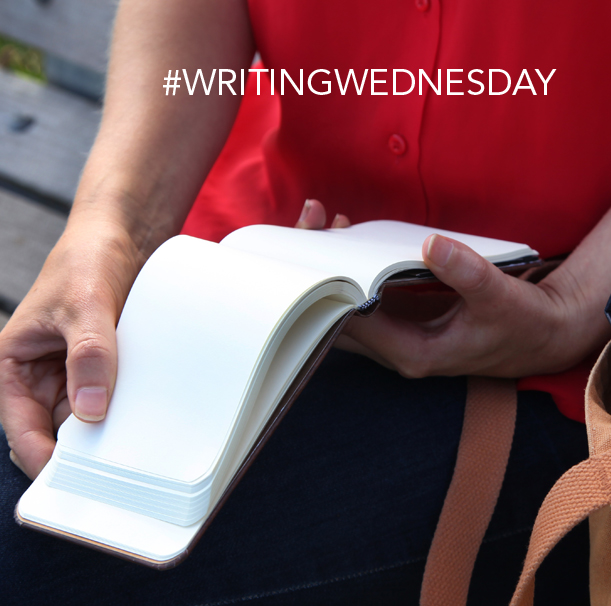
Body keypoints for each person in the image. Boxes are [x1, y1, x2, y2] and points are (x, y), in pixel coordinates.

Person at [1, 0, 610, 603]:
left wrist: (574, 306)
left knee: (37, 569)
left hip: (566, 379)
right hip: (256, 281)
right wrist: (110, 235)